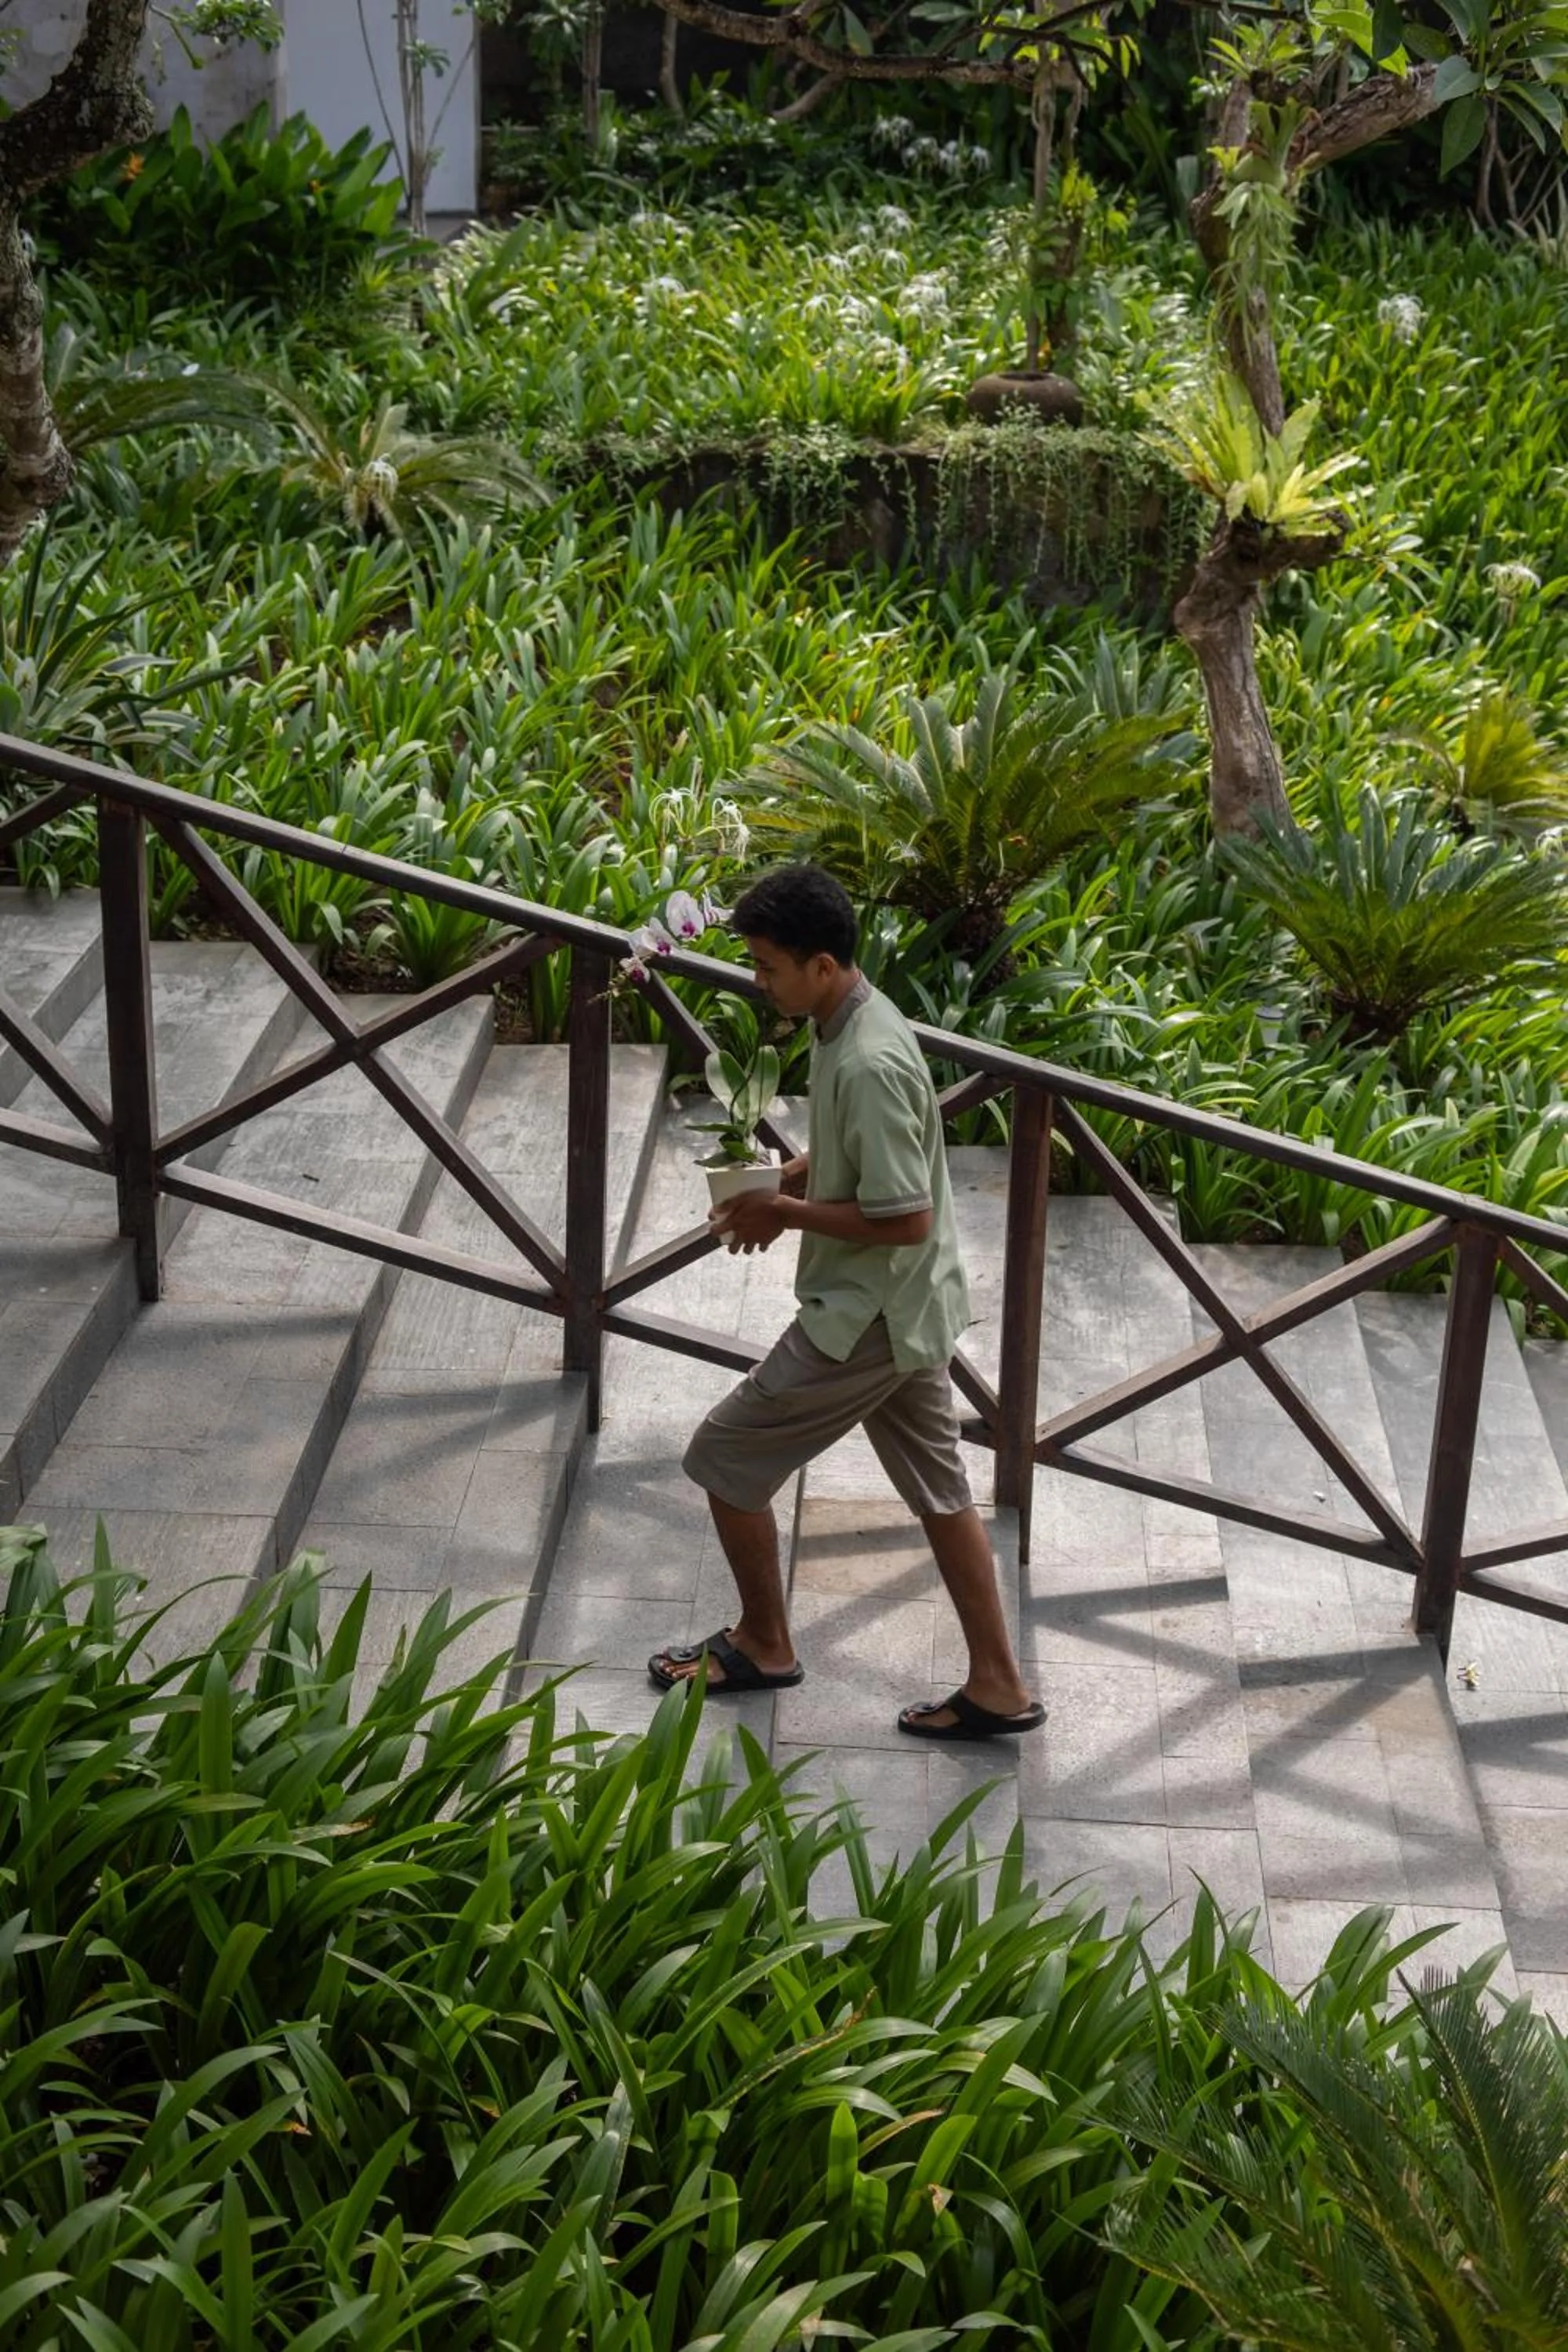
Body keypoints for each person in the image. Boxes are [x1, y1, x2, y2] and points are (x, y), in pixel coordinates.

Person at [648, 863, 1045, 1741]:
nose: (757, 982)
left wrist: (781, 1210)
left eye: (765, 967)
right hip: (910, 1311)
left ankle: (763, 1641)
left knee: (722, 1457)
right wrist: (784, 1176)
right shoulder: (854, 1017)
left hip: (864, 1319)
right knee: (942, 1494)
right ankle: (999, 1687)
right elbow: (861, 1159)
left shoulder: (862, 1058)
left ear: (819, 965)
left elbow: (903, 1218)